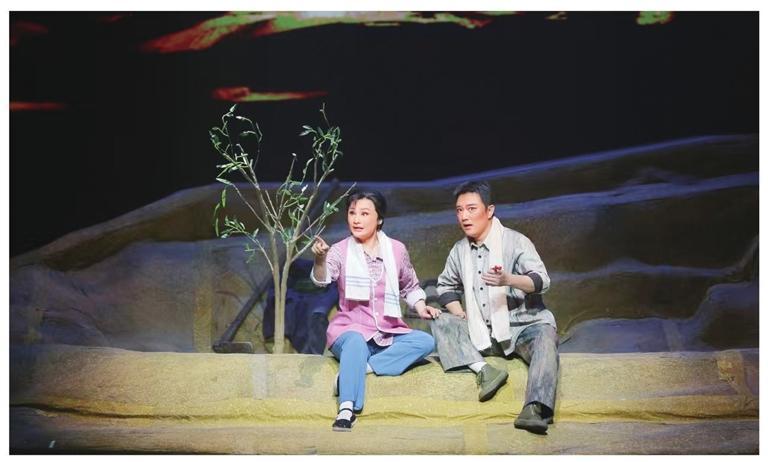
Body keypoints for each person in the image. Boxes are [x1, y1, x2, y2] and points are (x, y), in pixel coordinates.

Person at [430, 180, 559, 434]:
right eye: (459, 210)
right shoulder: (459, 250)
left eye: (471, 209)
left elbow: (541, 281)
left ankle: (534, 409)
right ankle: (486, 371)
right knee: (439, 319)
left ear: (489, 210)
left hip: (522, 327)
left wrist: (508, 279)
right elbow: (445, 287)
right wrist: (459, 312)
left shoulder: (515, 241)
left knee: (545, 335)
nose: (464, 217)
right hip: (482, 333)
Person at [311, 189, 440, 432]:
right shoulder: (340, 250)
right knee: (356, 343)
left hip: (387, 332)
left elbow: (409, 285)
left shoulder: (396, 250)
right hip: (349, 331)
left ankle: (358, 369)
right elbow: (322, 280)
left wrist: (422, 307)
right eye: (352, 213)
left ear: (379, 218)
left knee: (424, 341)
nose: (356, 219)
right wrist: (319, 260)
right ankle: (346, 410)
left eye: (364, 213)